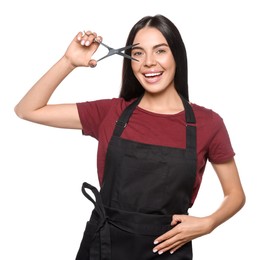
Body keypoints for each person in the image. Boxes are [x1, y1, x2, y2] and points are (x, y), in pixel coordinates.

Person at [14, 14, 245, 260]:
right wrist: (69, 61)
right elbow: (27, 109)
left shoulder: (208, 123)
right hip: (105, 247)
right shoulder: (111, 112)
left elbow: (235, 194)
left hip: (168, 249)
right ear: (129, 60)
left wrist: (209, 223)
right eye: (138, 53)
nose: (148, 62)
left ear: (177, 55)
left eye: (160, 51)